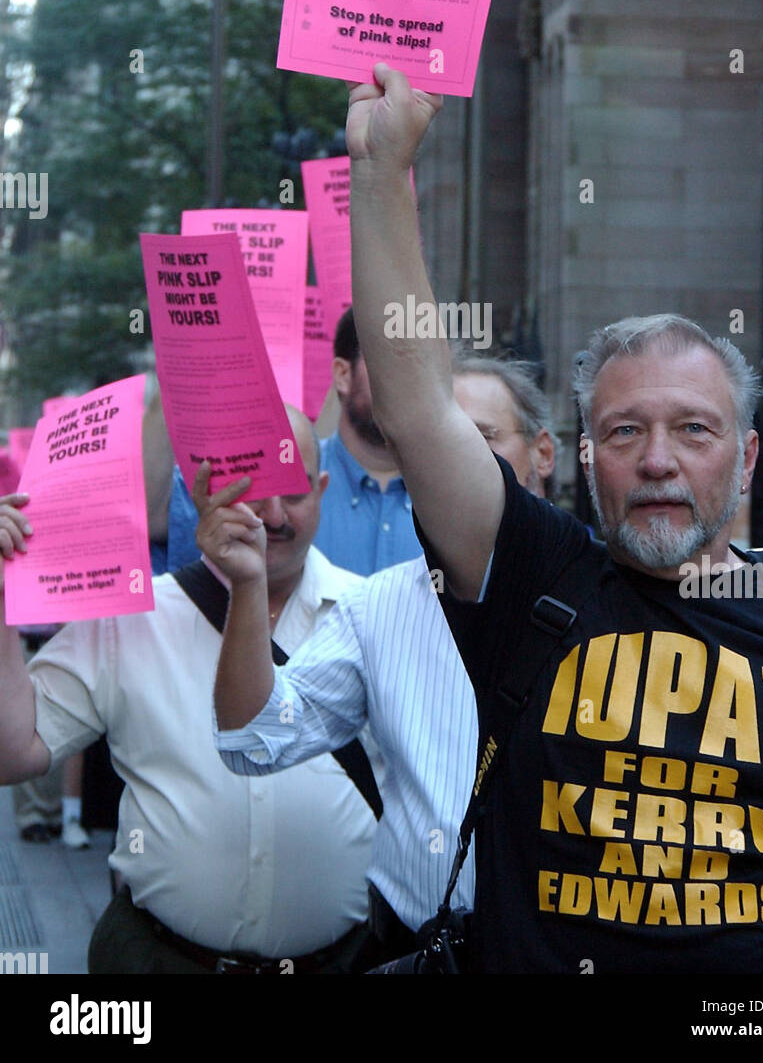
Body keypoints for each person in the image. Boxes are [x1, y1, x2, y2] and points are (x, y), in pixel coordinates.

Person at [343, 62, 763, 974]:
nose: (658, 458)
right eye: (625, 430)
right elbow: (419, 409)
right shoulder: (536, 582)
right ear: (586, 457)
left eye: (694, 430)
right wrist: (383, 169)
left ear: (746, 458)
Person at [0, 407, 377, 974]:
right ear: (204, 490)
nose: (272, 516)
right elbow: (14, 754)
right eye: (253, 490)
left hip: (343, 960)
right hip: (158, 960)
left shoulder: (376, 615)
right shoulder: (131, 618)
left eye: (293, 491)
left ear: (322, 490)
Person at [211, 353, 556, 967]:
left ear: (544, 454)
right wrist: (246, 586)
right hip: (417, 950)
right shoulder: (377, 610)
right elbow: (252, 741)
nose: (457, 464)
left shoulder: (609, 593)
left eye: (481, 439)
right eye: (433, 444)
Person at [313, 307, 423, 574]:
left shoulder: (455, 499)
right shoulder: (292, 491)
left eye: (420, 365)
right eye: (389, 361)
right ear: (343, 375)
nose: (407, 379)